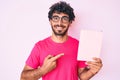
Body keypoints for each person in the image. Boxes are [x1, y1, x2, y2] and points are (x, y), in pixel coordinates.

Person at [20, 1, 103, 80]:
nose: (59, 23)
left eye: (65, 19)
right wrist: (43, 70)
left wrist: (92, 71)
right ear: (50, 21)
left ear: (70, 22)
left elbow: (82, 76)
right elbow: (23, 78)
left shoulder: (79, 45)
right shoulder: (40, 47)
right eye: (56, 18)